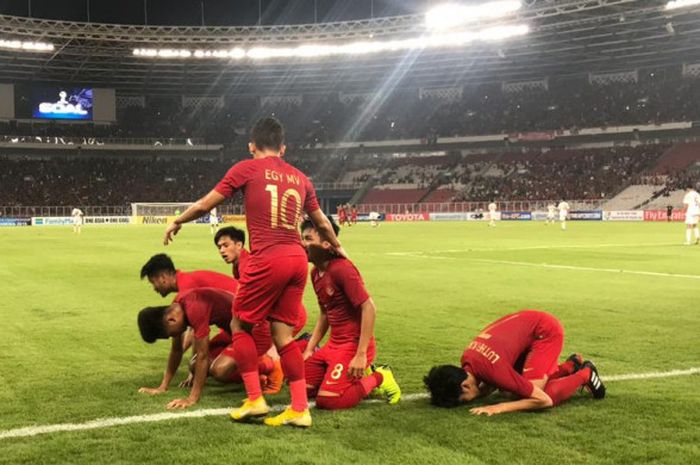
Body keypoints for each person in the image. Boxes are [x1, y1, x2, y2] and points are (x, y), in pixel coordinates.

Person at [163, 117, 343, 427]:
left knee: (240, 325)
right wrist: (337, 247)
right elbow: (322, 224)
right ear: (283, 148)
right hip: (297, 259)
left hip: (267, 258)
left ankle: (255, 400)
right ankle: (300, 408)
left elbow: (206, 204)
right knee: (283, 336)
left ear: (251, 146)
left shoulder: (246, 168)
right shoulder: (301, 178)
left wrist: (178, 220)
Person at [300, 218, 401, 410]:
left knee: (328, 401)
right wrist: (310, 348)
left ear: (326, 243)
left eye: (307, 238)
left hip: (352, 346)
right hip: (333, 346)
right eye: (302, 238)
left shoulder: (342, 269)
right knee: (302, 388)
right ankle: (352, 377)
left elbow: (369, 307)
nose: (302, 244)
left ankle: (380, 376)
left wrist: (361, 354)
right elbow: (324, 314)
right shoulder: (315, 273)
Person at [423, 310, 605, 415]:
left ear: (465, 385)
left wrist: (499, 408)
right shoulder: (468, 359)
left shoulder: (493, 370)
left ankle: (585, 373)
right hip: (527, 327)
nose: (467, 402)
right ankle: (571, 365)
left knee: (530, 396)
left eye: (463, 400)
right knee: (510, 389)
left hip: (545, 331)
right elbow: (490, 381)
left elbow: (544, 401)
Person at [137, 288, 278, 408]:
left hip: (256, 334)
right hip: (234, 333)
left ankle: (270, 364)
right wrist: (163, 386)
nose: (174, 336)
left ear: (171, 320)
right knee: (193, 366)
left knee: (219, 370)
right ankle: (250, 371)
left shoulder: (194, 309)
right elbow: (177, 350)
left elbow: (203, 356)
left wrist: (192, 399)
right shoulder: (176, 307)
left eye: (170, 334)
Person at [140, 253, 238, 297]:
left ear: (163, 278)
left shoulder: (187, 288)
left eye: (153, 282)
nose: (154, 288)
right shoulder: (185, 282)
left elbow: (197, 332)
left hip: (247, 312)